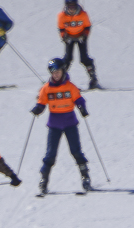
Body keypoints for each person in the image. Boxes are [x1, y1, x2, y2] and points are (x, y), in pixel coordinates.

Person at [31, 58, 91, 195]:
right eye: (53, 72)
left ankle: (85, 176)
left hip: (70, 122)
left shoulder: (70, 86)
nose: (56, 74)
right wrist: (38, 109)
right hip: (54, 124)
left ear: (63, 71)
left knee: (76, 151)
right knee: (50, 154)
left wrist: (82, 108)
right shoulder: (47, 88)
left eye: (58, 71)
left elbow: (78, 99)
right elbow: (41, 102)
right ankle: (44, 179)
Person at [58, 1, 100, 89]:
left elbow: (87, 26)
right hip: (69, 37)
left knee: (84, 58)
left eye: (73, 7)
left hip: (81, 36)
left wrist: (84, 36)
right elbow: (61, 28)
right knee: (68, 58)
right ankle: (61, 79)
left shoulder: (83, 14)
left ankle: (93, 79)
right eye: (70, 7)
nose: (71, 10)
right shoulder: (62, 16)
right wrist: (64, 38)